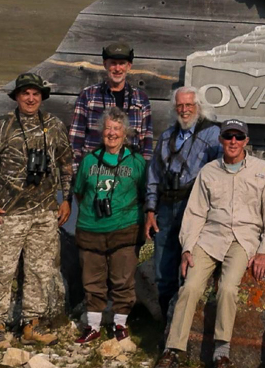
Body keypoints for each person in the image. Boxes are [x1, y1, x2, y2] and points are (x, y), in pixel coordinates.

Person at [152, 119, 265, 368]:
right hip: (209, 238)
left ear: (246, 140)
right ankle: (172, 350)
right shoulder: (209, 171)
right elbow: (195, 213)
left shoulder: (262, 170)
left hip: (243, 239)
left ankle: (221, 353)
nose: (233, 141)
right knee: (189, 288)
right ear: (221, 140)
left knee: (227, 288)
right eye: (228, 136)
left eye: (238, 136)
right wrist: (187, 248)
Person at [0, 73, 73, 349]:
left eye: (36, 94)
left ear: (42, 97)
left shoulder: (54, 126)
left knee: (40, 270)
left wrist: (67, 199)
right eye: (25, 93)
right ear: (17, 96)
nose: (31, 98)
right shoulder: (1, 125)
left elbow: (66, 165)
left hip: (44, 212)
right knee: (3, 269)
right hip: (9, 212)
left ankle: (32, 323)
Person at [144, 87, 221, 324]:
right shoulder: (167, 137)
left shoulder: (213, 135)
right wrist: (150, 210)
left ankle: (184, 323)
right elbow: (154, 175)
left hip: (194, 207)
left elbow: (219, 173)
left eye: (189, 105)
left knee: (190, 266)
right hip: (166, 207)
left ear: (198, 107)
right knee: (163, 269)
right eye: (180, 105)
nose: (184, 110)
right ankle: (165, 323)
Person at [72, 107, 148, 344]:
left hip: (125, 229)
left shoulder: (136, 162)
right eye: (108, 129)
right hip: (91, 229)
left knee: (122, 279)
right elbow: (79, 192)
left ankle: (120, 325)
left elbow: (145, 194)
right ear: (100, 132)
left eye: (117, 129)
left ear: (125, 133)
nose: (112, 133)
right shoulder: (89, 161)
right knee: (92, 280)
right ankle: (93, 326)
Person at [69, 41, 153, 172]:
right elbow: (75, 140)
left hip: (128, 173)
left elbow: (146, 143)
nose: (117, 68)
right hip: (93, 170)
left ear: (129, 66)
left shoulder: (141, 99)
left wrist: (142, 174)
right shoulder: (88, 96)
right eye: (113, 63)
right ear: (105, 65)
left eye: (122, 64)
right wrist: (78, 174)